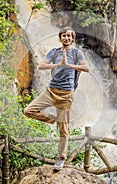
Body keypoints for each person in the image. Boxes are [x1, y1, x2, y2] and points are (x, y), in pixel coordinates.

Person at [23, 26, 90, 171]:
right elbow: (41, 66)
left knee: (64, 130)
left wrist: (69, 65)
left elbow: (86, 68)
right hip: (50, 91)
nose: (66, 38)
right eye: (64, 36)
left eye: (69, 36)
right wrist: (58, 64)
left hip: (66, 95)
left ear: (72, 38)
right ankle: (51, 119)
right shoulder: (54, 52)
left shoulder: (77, 53)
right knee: (28, 110)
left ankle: (60, 159)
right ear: (60, 38)